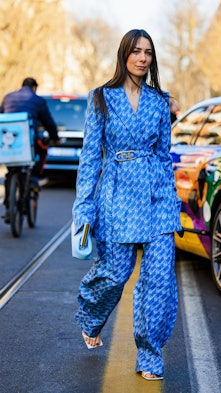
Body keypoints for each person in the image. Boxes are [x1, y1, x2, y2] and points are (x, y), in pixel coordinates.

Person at [72, 29, 182, 381]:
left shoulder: (160, 101)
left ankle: (150, 356)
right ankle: (92, 316)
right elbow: (90, 158)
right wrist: (84, 209)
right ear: (124, 55)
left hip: (157, 197)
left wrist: (172, 201)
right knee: (114, 274)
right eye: (136, 51)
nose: (142, 58)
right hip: (117, 197)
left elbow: (165, 157)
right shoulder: (101, 98)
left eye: (148, 52)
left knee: (159, 280)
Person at [0, 77, 59, 222]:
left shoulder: (8, 97)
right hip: (28, 142)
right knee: (42, 149)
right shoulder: (37, 100)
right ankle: (33, 178)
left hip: (8, 143)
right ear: (34, 88)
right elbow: (48, 122)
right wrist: (54, 138)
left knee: (11, 171)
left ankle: (8, 205)